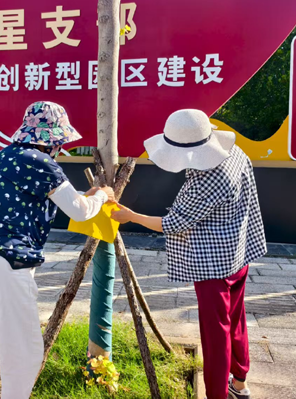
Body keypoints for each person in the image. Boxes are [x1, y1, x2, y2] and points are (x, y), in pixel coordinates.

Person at [0, 101, 114, 399]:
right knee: (24, 350)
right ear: (52, 140)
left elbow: (55, 197)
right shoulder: (41, 162)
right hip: (5, 264)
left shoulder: (4, 156)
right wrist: (103, 196)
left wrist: (87, 195)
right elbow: (80, 212)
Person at [111, 109, 267, 399]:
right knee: (235, 319)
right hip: (238, 252)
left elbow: (173, 223)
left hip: (213, 265)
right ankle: (240, 383)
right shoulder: (234, 153)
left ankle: (217, 394)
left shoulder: (206, 180)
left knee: (215, 333)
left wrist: (131, 216)